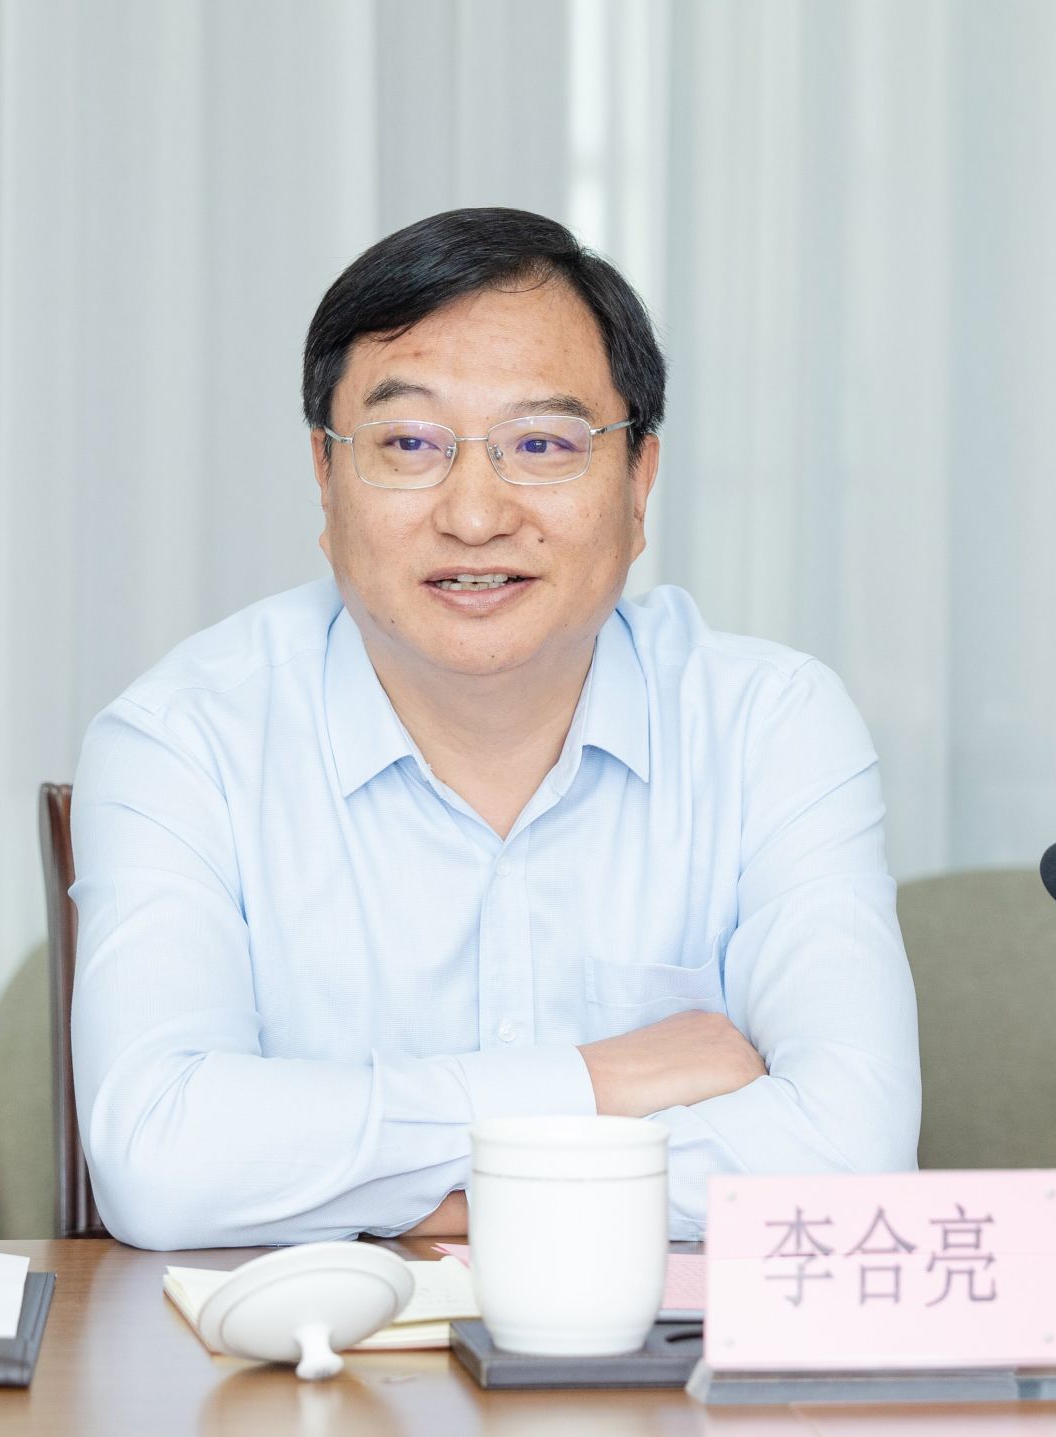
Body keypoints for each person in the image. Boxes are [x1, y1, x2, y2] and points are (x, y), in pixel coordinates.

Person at [70, 207, 919, 1251]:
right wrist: (597, 1081)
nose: (474, 516)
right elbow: (161, 1161)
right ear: (325, 477)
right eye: (408, 444)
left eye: (542, 444)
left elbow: (852, 1153)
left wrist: (431, 1196)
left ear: (639, 482)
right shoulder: (182, 743)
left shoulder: (767, 726)